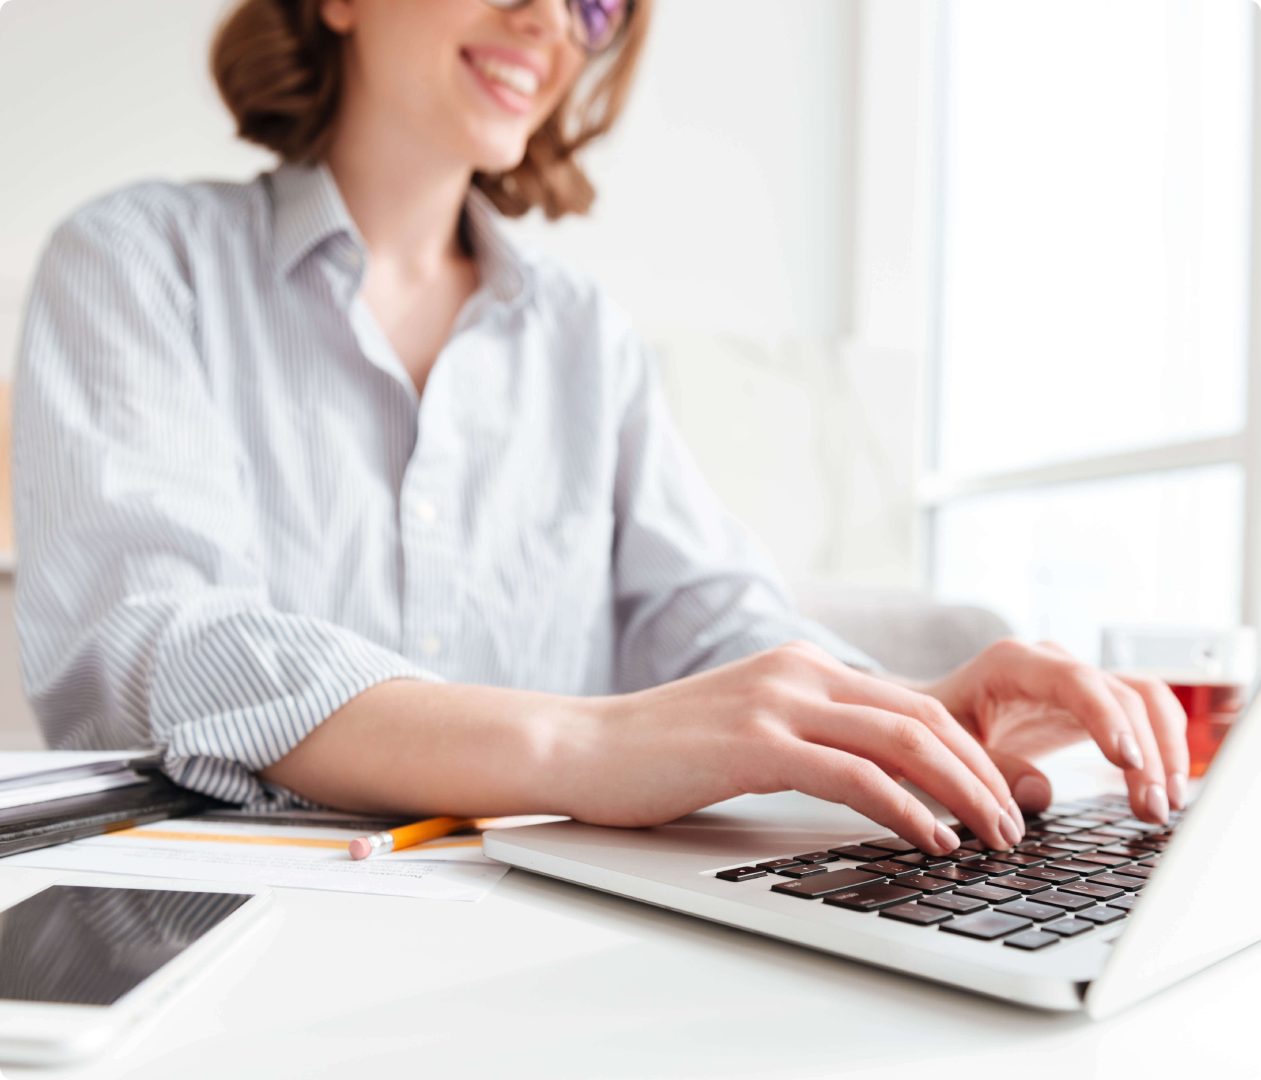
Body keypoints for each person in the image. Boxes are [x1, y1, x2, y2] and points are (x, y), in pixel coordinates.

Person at [12, 0, 1186, 858]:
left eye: (595, 4)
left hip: (553, 932)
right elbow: (154, 644)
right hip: (229, 934)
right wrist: (582, 748)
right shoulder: (130, 263)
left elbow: (714, 619)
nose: (549, 23)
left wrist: (906, 714)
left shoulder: (585, 339)